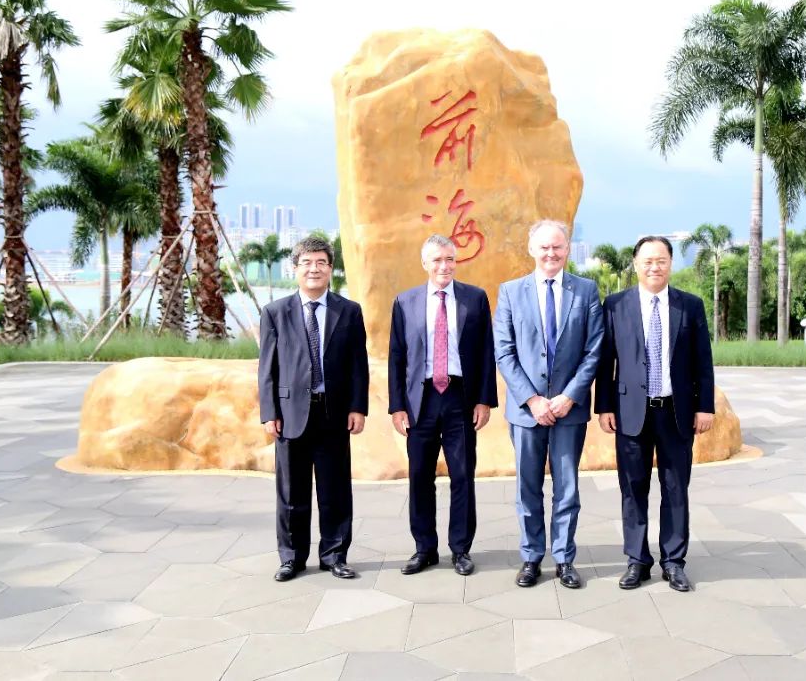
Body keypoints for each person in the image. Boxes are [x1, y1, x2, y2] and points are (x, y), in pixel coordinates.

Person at [595, 235, 714, 592]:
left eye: (661, 260)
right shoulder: (615, 305)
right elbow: (605, 361)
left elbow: (703, 361)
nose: (654, 267)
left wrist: (704, 406)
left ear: (670, 264)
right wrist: (604, 407)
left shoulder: (689, 306)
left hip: (676, 412)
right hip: (630, 412)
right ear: (636, 265)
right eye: (647, 261)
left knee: (676, 488)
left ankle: (673, 562)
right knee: (633, 488)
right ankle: (637, 560)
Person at [494, 220, 603, 589]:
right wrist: (532, 399)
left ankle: (564, 558)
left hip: (569, 411)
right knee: (527, 488)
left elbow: (594, 350)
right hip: (526, 412)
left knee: (567, 488)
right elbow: (504, 352)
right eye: (544, 247)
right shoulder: (511, 292)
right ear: (531, 249)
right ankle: (531, 557)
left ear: (567, 249)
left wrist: (569, 396)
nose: (551, 253)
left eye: (557, 247)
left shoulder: (586, 291)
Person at [258, 236, 369, 582]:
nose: (314, 269)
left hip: (333, 413)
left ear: (330, 268)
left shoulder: (348, 311)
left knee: (335, 490)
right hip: (290, 414)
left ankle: (334, 555)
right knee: (291, 492)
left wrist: (358, 407)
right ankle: (291, 558)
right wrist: (269, 412)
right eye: (306, 263)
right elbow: (267, 368)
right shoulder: (275, 312)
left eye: (321, 262)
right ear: (295, 269)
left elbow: (358, 364)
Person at [389, 235, 498, 576]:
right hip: (419, 401)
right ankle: (424, 548)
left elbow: (486, 352)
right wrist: (397, 406)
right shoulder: (405, 302)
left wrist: (484, 400)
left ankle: (460, 549)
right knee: (420, 476)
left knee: (462, 475)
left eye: (450, 259)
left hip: (459, 398)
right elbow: (397, 356)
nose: (444, 266)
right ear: (425, 263)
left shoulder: (474, 298)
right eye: (437, 260)